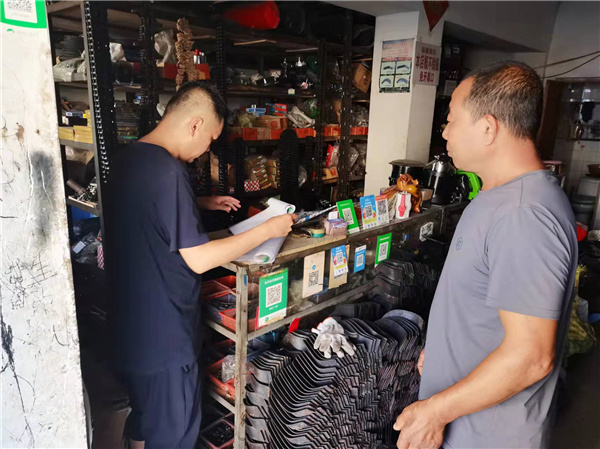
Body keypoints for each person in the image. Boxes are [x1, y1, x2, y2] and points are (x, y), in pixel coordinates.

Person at [394, 61, 577, 449]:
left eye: (451, 120)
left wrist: (435, 412)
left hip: (487, 436)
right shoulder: (497, 196)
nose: (445, 132)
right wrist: (443, 349)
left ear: (488, 128)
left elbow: (531, 355)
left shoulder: (525, 214)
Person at [105, 81, 296, 448]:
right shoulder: (169, 173)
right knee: (174, 434)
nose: (207, 149)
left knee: (144, 421)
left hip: (132, 333)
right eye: (210, 139)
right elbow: (199, 259)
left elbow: (147, 212)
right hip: (165, 339)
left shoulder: (130, 158)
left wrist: (199, 203)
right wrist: (268, 229)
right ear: (194, 125)